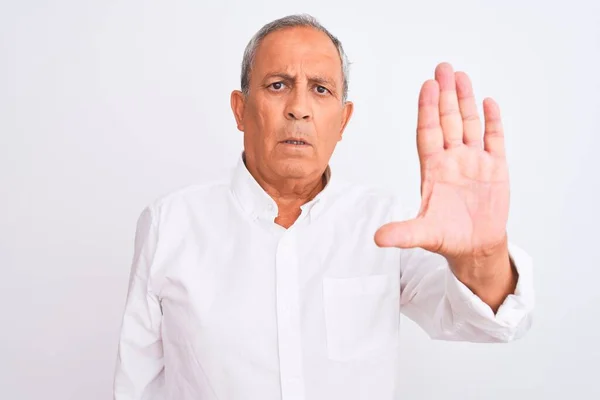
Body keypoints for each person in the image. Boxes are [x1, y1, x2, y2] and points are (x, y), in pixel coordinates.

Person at [113, 13, 534, 400]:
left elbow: (489, 322)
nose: (299, 107)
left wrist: (483, 254)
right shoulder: (169, 224)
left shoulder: (387, 225)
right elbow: (136, 386)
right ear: (240, 110)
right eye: (278, 84)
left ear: (343, 120)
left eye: (320, 89)